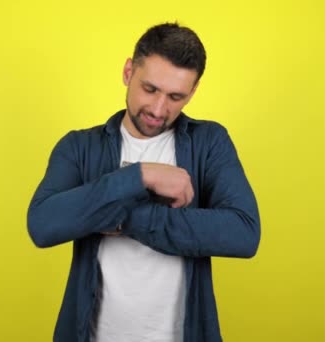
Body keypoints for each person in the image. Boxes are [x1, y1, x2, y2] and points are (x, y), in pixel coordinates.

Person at [27, 22, 260, 342]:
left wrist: (125, 216)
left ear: (192, 92)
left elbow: (243, 233)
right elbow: (43, 224)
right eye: (149, 89)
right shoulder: (79, 147)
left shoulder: (210, 143)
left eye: (176, 96)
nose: (158, 109)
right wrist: (139, 176)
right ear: (128, 72)